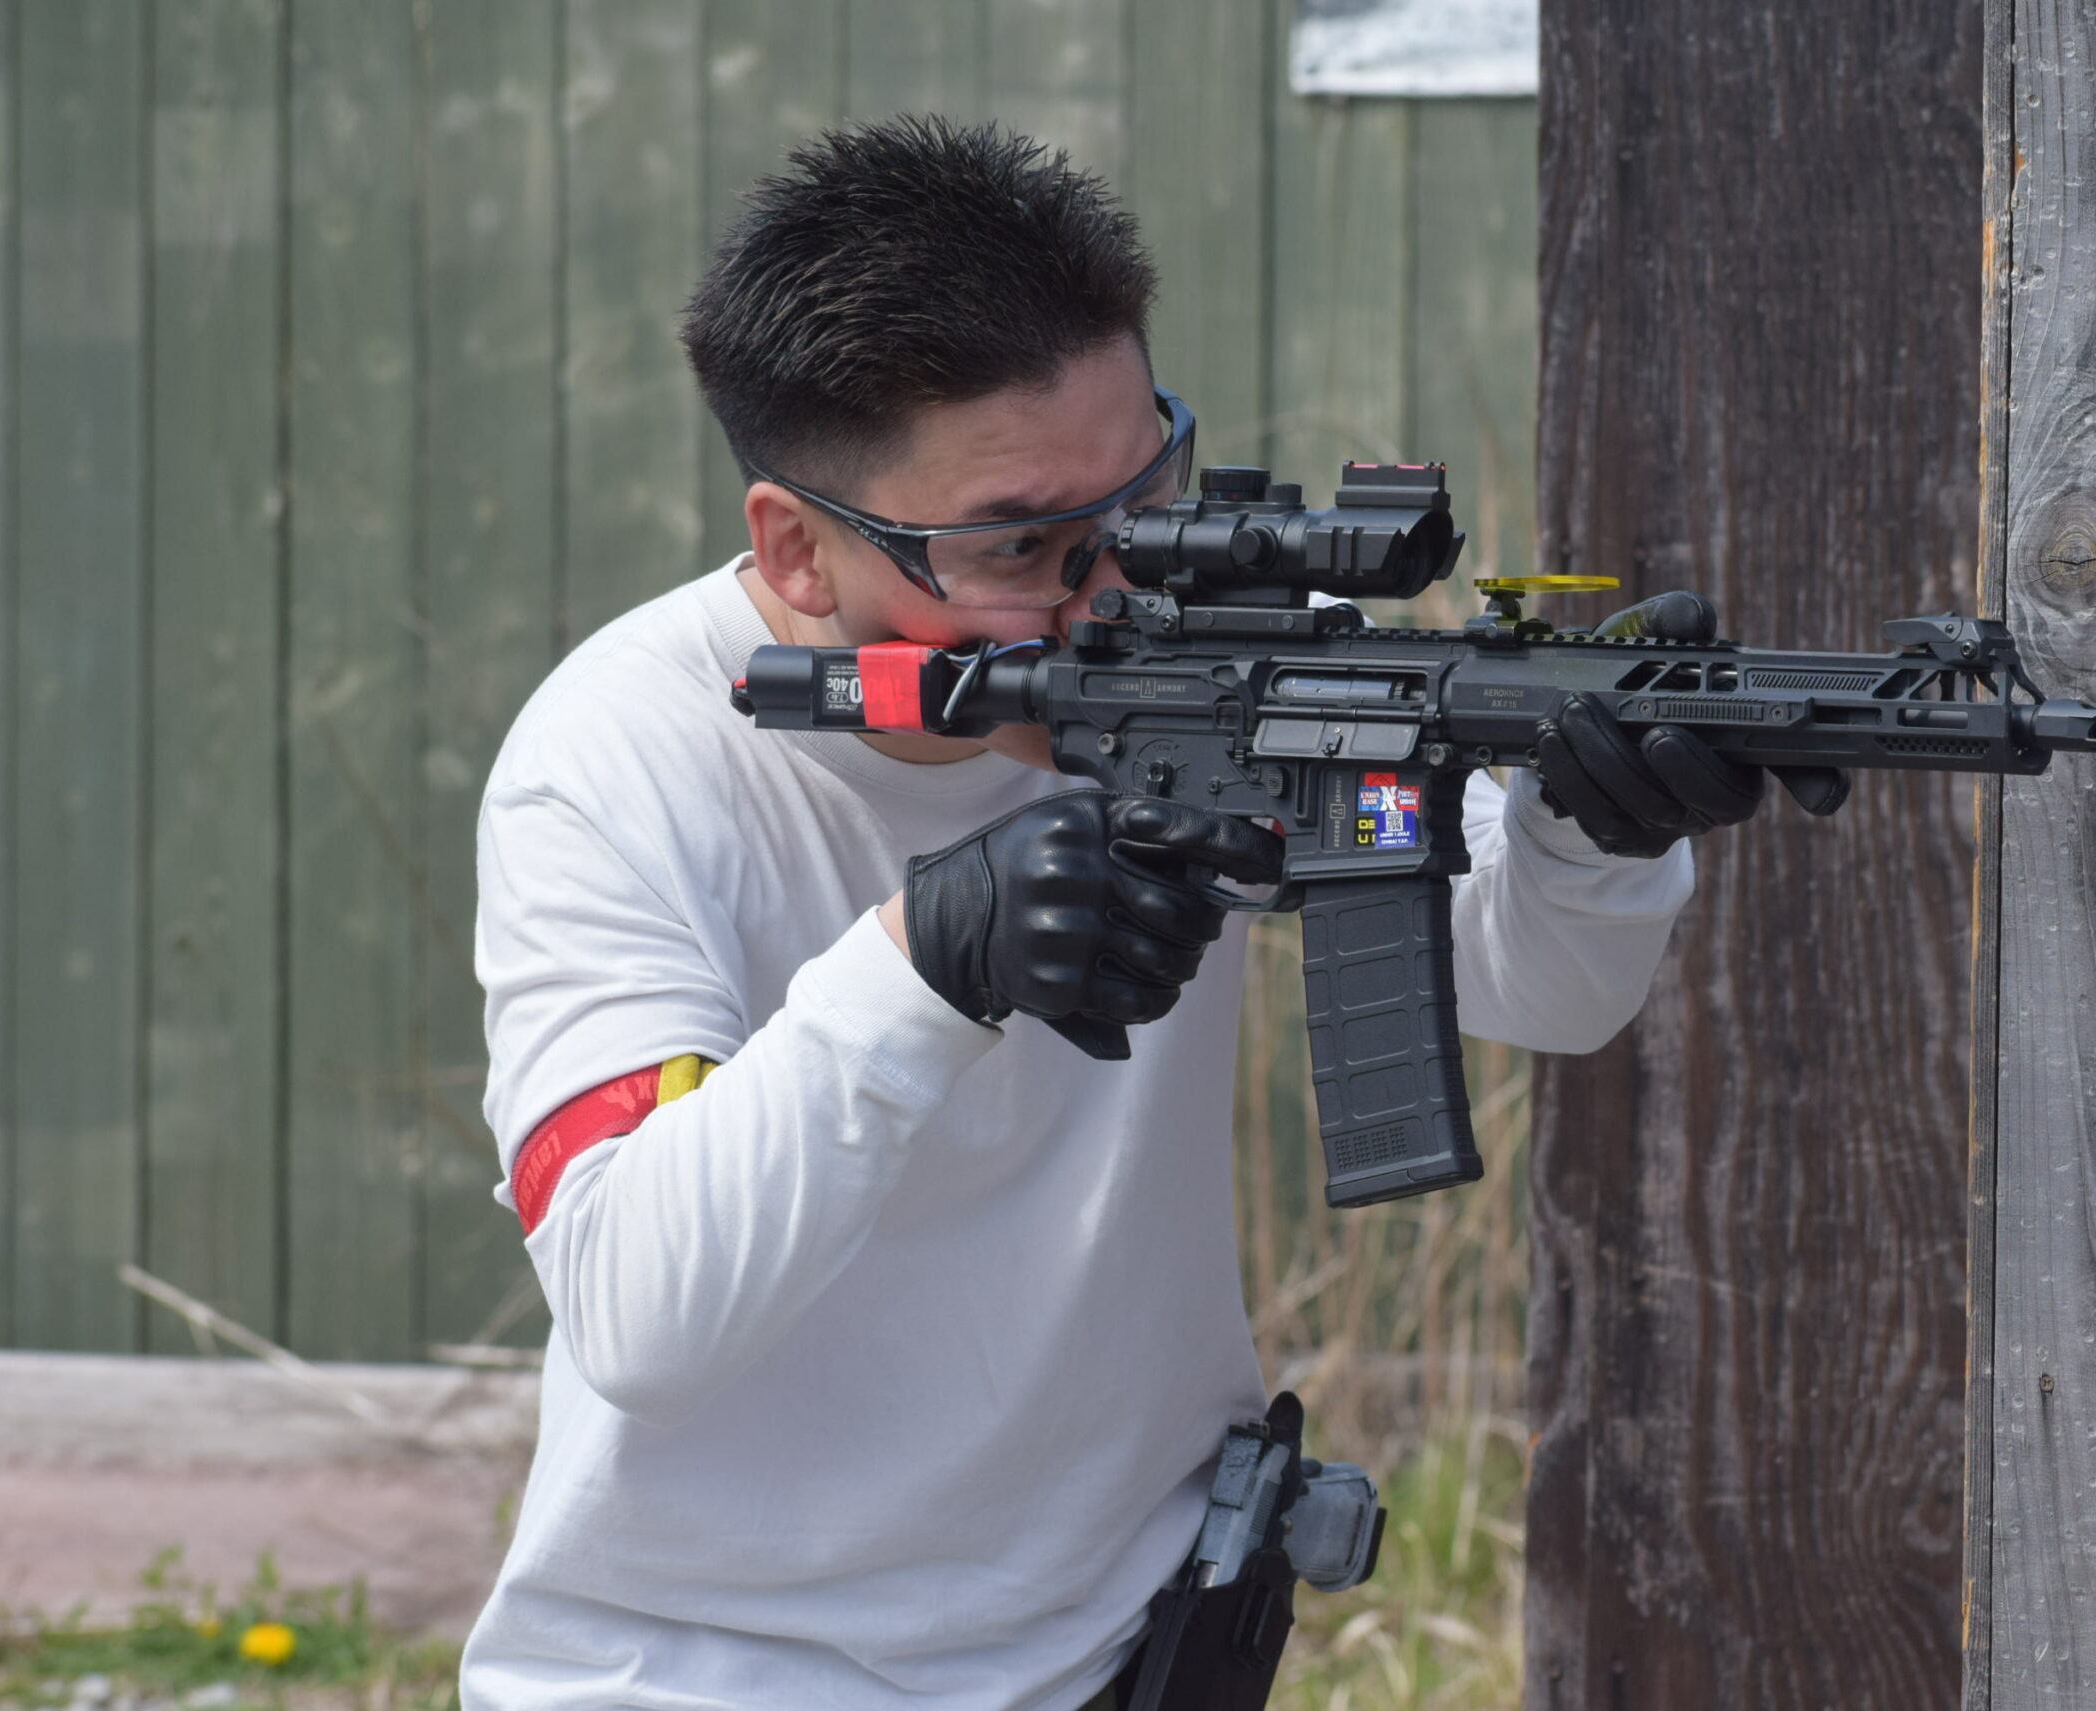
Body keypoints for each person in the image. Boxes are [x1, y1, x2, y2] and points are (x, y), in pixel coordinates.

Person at [458, 116, 1817, 1711]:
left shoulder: (1244, 653)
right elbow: (640, 1312)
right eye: (1024, 548)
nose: (1113, 590)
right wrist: (926, 964)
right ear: (799, 552)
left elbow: (1539, 986)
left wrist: (1594, 837)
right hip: (705, 1675)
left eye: (1146, 496)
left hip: (1131, 1656)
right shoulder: (614, 757)